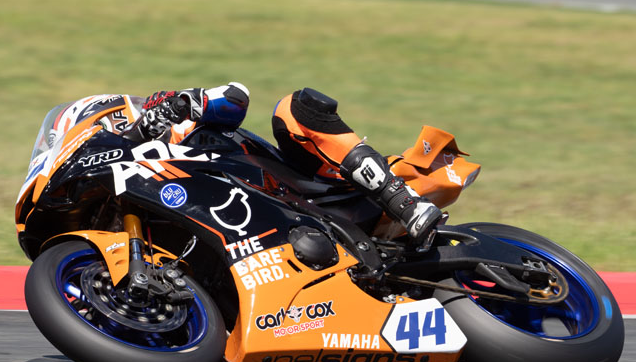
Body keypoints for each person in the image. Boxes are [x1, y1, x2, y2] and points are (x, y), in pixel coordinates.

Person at [134, 83, 444, 243]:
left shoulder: (162, 120)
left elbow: (235, 97)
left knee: (294, 108)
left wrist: (179, 104)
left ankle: (404, 202)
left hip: (307, 189)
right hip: (262, 232)